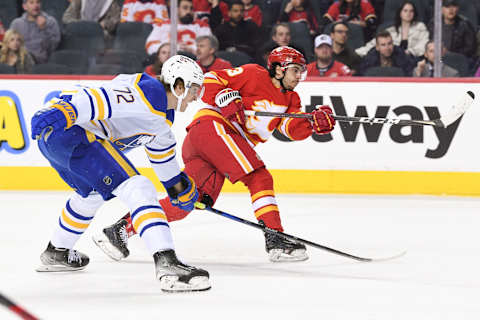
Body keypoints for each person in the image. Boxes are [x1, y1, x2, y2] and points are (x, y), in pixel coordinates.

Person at [93, 46, 336, 263]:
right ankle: (276, 238)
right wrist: (224, 97)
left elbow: (289, 129)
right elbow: (208, 80)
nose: (299, 76)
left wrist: (312, 124)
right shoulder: (254, 74)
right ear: (279, 69)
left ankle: (120, 229)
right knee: (259, 177)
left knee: (187, 202)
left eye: (301, 71)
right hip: (213, 129)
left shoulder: (291, 100)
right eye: (295, 70)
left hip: (215, 144)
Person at [30, 55, 211, 293]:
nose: (196, 96)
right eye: (194, 89)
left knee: (91, 195)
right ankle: (168, 265)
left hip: (59, 139)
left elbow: (164, 161)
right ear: (178, 85)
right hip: (71, 131)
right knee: (140, 188)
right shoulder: (148, 91)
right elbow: (101, 98)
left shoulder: (161, 120)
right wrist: (68, 112)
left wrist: (179, 189)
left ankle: (57, 251)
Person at [356, 1, 429, 58]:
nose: (408, 13)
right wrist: (357, 53)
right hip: (393, 60)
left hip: (413, 59)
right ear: (400, 13)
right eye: (405, 11)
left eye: (411, 11)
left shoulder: (420, 27)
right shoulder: (391, 30)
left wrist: (410, 52)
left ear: (414, 13)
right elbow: (374, 43)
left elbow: (424, 44)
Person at [146, 0, 212, 55]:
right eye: (185, 8)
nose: (189, 11)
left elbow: (208, 47)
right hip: (167, 60)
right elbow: (150, 46)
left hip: (193, 60)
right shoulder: (162, 25)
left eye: (191, 8)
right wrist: (172, 48)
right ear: (176, 9)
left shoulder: (202, 26)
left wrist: (191, 49)